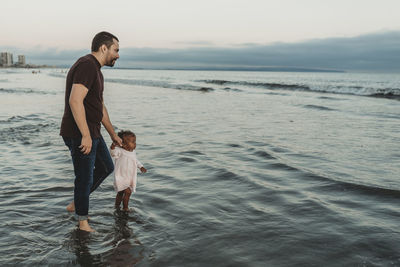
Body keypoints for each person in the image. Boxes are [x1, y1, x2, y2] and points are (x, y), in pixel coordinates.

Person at [60, 31, 123, 232]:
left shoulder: (97, 71)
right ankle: (82, 222)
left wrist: (113, 134)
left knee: (106, 167)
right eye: (116, 50)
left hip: (92, 131)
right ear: (103, 48)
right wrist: (85, 135)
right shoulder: (87, 65)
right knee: (85, 177)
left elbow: (100, 107)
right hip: (80, 132)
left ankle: (78, 203)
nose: (118, 55)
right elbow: (75, 100)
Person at [110, 130, 147, 211]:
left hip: (129, 176)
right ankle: (125, 208)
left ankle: (116, 206)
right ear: (124, 144)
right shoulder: (120, 151)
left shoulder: (133, 152)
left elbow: (135, 160)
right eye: (133, 142)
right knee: (128, 192)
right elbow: (113, 153)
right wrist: (113, 146)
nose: (135, 144)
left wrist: (141, 166)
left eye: (135, 142)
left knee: (120, 193)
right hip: (121, 176)